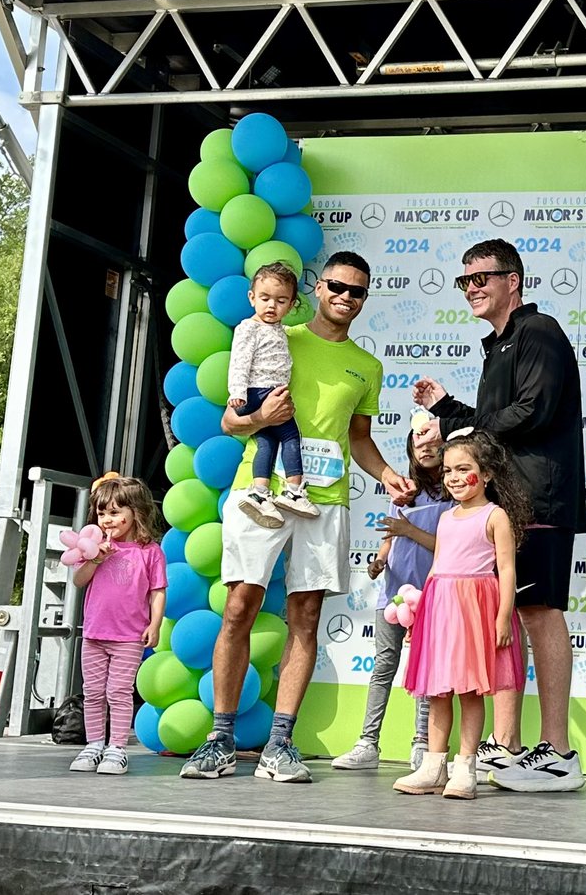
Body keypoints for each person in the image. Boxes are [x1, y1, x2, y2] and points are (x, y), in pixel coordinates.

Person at [181, 251, 415, 782]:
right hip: (259, 492)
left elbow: (358, 438)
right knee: (240, 607)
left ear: (363, 299)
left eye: (356, 291)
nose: (345, 297)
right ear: (319, 288)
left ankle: (280, 744)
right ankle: (220, 738)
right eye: (337, 286)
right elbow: (231, 421)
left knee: (305, 617)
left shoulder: (367, 366)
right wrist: (259, 417)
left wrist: (385, 475)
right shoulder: (277, 334)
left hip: (323, 501)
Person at [413, 238, 586, 792]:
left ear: (514, 280)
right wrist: (446, 410)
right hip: (509, 500)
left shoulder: (538, 331)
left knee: (539, 612)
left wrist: (467, 430)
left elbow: (533, 411)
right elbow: (491, 422)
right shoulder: (498, 344)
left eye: (483, 277)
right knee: (509, 616)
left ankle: (558, 753)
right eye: (464, 281)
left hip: (540, 499)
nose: (473, 288)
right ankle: (505, 748)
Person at [394, 429, 529, 800]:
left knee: (470, 691)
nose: (453, 477)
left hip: (476, 610)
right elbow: (436, 569)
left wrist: (503, 617)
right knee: (437, 692)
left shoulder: (495, 515)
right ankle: (433, 765)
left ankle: (465, 766)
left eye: (463, 468)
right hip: (441, 609)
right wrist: (421, 617)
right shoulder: (446, 518)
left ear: (485, 474)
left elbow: (507, 570)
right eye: (448, 470)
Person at [332, 430, 452, 772]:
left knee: (427, 673)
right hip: (393, 596)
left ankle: (423, 745)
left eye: (433, 444)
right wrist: (380, 559)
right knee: (383, 667)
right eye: (419, 444)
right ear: (410, 450)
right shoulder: (401, 492)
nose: (426, 449)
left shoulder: (453, 495)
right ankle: (368, 743)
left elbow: (448, 546)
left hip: (432, 597)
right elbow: (391, 536)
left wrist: (409, 532)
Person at [68, 476, 167, 776]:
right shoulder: (93, 549)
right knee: (93, 691)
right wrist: (96, 559)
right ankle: (94, 743)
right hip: (95, 632)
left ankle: (117, 748)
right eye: (101, 513)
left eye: (114, 512)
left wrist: (156, 624)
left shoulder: (149, 552)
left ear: (135, 512)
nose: (107, 520)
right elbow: (78, 580)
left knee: (119, 691)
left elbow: (157, 590)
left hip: (128, 636)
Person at [229, 262, 320, 528]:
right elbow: (239, 362)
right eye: (265, 298)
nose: (272, 306)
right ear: (252, 298)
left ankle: (259, 492)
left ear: (291, 305)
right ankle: (293, 490)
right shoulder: (249, 328)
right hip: (260, 392)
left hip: (266, 390)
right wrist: (237, 392)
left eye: (281, 301)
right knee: (290, 436)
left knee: (267, 441)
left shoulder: (277, 329)